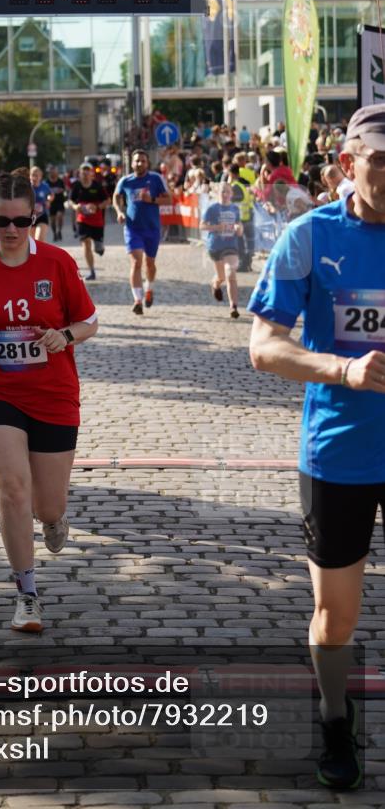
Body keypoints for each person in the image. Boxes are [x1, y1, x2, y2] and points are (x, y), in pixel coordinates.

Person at [248, 103, 385, 791]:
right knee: (337, 611)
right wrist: (342, 369)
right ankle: (334, 716)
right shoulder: (307, 236)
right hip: (338, 451)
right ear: (347, 164)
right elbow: (263, 347)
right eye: (382, 160)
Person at [0, 172, 98, 633]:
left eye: (21, 221)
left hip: (54, 393)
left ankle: (54, 518)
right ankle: (26, 594)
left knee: (46, 506)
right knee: (11, 487)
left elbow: (89, 322)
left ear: (33, 218)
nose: (10, 230)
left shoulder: (57, 263)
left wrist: (63, 335)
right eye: (1, 221)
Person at [113, 149, 170, 314]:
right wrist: (119, 211)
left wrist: (151, 199)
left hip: (152, 228)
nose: (140, 163)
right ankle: (137, 300)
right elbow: (116, 196)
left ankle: (149, 289)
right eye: (137, 161)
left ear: (147, 163)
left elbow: (169, 198)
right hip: (133, 228)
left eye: (143, 161)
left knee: (150, 264)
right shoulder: (126, 181)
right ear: (132, 163)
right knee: (136, 262)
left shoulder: (155, 179)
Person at [201, 182, 243, 318]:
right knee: (221, 277)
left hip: (231, 246)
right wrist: (216, 227)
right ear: (218, 193)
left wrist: (238, 229)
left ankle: (233, 307)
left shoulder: (235, 209)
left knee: (230, 272)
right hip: (215, 246)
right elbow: (202, 226)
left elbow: (239, 227)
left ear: (231, 194)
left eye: (227, 192)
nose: (225, 194)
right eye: (222, 192)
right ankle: (216, 284)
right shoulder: (212, 208)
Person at [69, 163, 109, 281]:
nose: (85, 175)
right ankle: (92, 271)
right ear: (80, 174)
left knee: (98, 248)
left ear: (91, 174)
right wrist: (75, 206)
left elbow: (107, 200)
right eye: (83, 172)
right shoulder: (76, 186)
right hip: (82, 219)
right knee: (86, 243)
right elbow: (70, 201)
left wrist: (97, 207)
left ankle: (99, 247)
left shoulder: (97, 186)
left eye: (88, 172)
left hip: (97, 221)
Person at [29, 166, 52, 242]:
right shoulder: (27, 188)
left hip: (42, 215)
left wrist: (49, 200)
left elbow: (51, 195)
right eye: (33, 175)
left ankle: (40, 253)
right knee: (31, 242)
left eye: (37, 175)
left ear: (40, 176)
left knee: (39, 239)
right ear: (30, 176)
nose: (34, 177)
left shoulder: (45, 186)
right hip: (29, 217)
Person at [46, 166, 67, 241]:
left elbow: (65, 190)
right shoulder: (47, 182)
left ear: (57, 173)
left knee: (59, 216)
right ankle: (54, 233)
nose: (53, 174)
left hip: (60, 202)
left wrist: (63, 191)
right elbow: (45, 192)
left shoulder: (60, 181)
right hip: (51, 203)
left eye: (55, 172)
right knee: (52, 220)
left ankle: (59, 231)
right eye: (52, 172)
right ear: (49, 173)